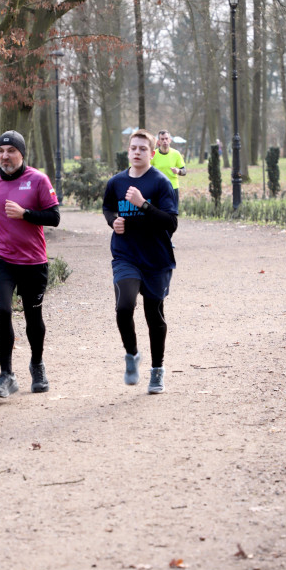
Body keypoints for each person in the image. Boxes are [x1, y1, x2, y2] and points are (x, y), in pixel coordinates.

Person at [0, 130, 60, 399]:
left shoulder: (37, 180)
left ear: (21, 153)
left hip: (32, 260)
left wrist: (26, 214)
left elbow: (54, 217)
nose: (5, 156)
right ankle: (6, 375)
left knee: (32, 316)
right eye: (1, 151)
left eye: (11, 151)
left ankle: (37, 365)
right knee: (3, 310)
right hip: (0, 257)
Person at [102, 129, 178, 394]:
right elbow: (108, 207)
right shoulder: (116, 182)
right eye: (133, 148)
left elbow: (171, 222)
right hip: (126, 256)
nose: (136, 152)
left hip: (156, 259)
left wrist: (143, 205)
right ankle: (132, 355)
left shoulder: (160, 183)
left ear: (152, 153)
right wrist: (114, 221)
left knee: (153, 316)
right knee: (124, 307)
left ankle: (157, 370)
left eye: (142, 149)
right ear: (128, 150)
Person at [152, 129, 186, 204]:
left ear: (170, 140)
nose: (165, 141)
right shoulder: (153, 154)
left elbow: (184, 171)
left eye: (166, 138)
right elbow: (147, 170)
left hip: (173, 187)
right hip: (158, 188)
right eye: (162, 139)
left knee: (173, 213)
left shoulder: (176, 154)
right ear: (159, 141)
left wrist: (178, 171)